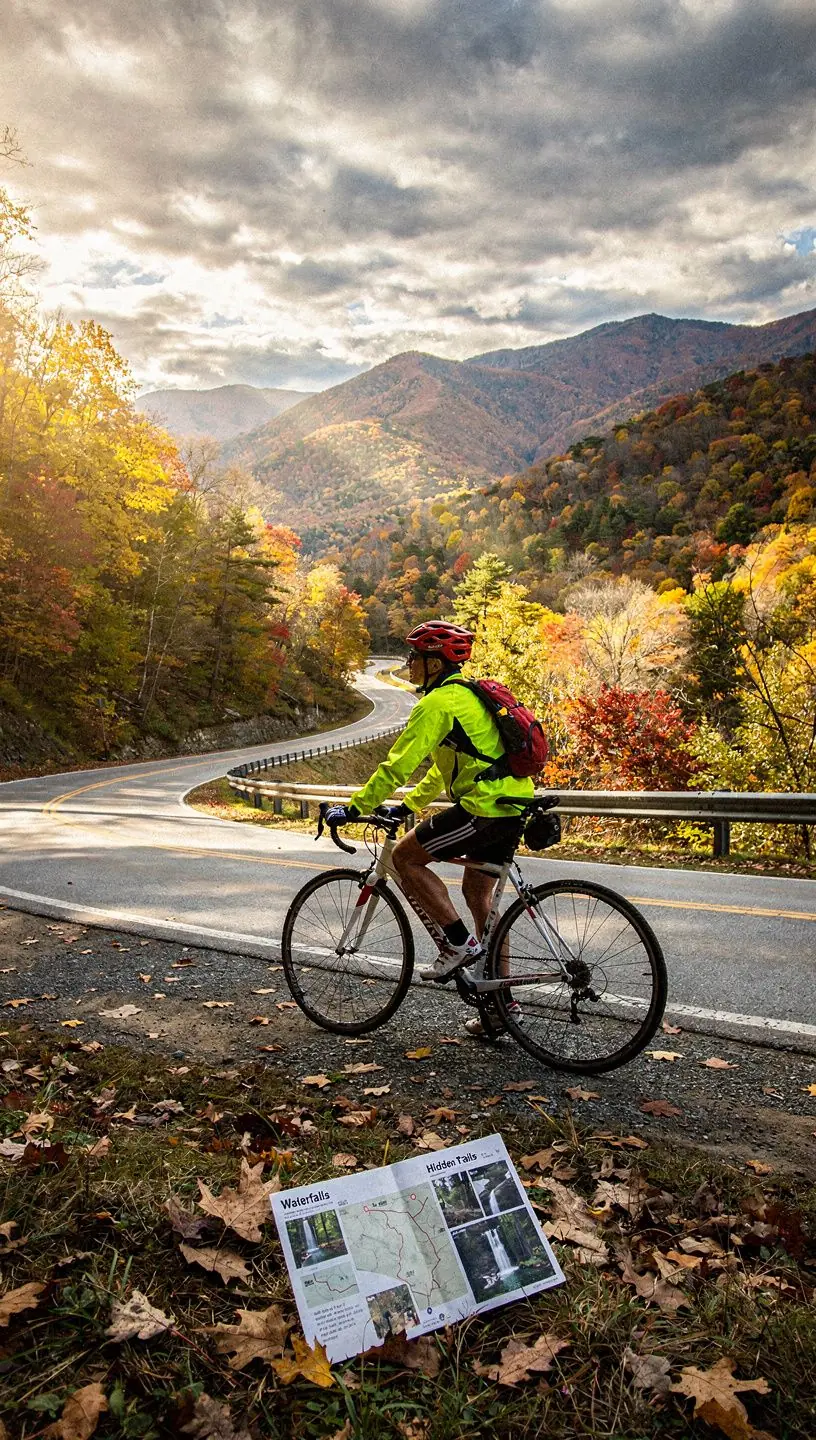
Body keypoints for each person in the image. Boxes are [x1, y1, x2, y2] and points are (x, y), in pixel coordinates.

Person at [323, 621, 534, 996]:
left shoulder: (436, 703)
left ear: (434, 664)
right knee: (477, 895)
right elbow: (442, 769)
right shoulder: (467, 697)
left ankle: (458, 944)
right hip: (511, 804)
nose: (408, 663)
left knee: (405, 857)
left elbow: (397, 765)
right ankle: (502, 1006)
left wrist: (355, 808)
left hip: (483, 807)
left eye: (414, 656)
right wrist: (408, 804)